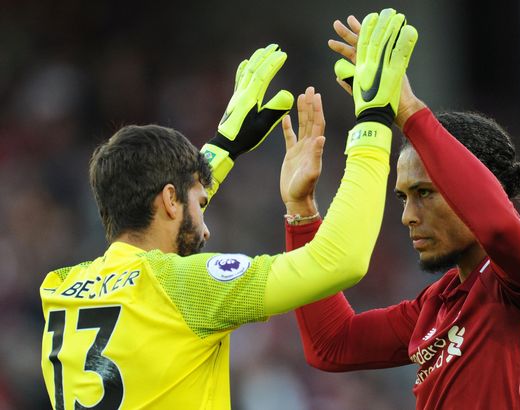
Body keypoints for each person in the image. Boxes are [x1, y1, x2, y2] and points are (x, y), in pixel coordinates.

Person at [39, 11, 418, 409]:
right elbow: (341, 261)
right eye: (199, 202)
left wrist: (223, 148)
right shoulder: (185, 287)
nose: (206, 231)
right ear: (169, 200)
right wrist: (374, 121)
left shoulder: (59, 288)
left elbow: (164, 210)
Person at [286, 12, 520, 409]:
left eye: (425, 193)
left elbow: (499, 229)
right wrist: (302, 213)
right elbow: (331, 344)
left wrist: (409, 110)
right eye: (404, 197)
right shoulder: (438, 304)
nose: (408, 216)